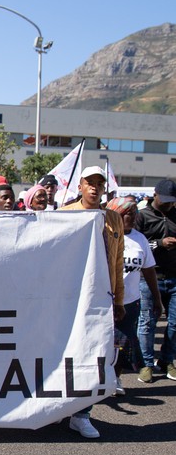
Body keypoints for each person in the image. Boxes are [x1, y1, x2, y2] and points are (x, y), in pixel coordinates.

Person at [61, 166, 125, 439]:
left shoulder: (113, 219)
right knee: (65, 353)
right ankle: (59, 408)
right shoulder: (63, 216)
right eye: (90, 182)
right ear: (80, 186)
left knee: (93, 356)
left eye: (99, 183)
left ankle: (82, 414)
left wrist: (119, 299)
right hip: (68, 298)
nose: (94, 187)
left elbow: (118, 262)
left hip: (101, 298)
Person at [106, 197, 163, 394]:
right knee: (103, 343)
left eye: (133, 213)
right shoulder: (103, 234)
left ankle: (116, 378)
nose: (131, 217)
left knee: (123, 344)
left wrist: (157, 298)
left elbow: (148, 270)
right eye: (126, 213)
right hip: (104, 301)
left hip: (130, 302)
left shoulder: (140, 239)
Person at [135, 179, 176, 382]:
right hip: (149, 278)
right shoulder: (142, 217)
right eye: (165, 200)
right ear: (155, 194)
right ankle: (147, 364)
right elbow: (136, 245)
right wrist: (160, 243)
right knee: (148, 323)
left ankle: (167, 360)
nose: (168, 204)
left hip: (174, 277)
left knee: (175, 324)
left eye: (172, 201)